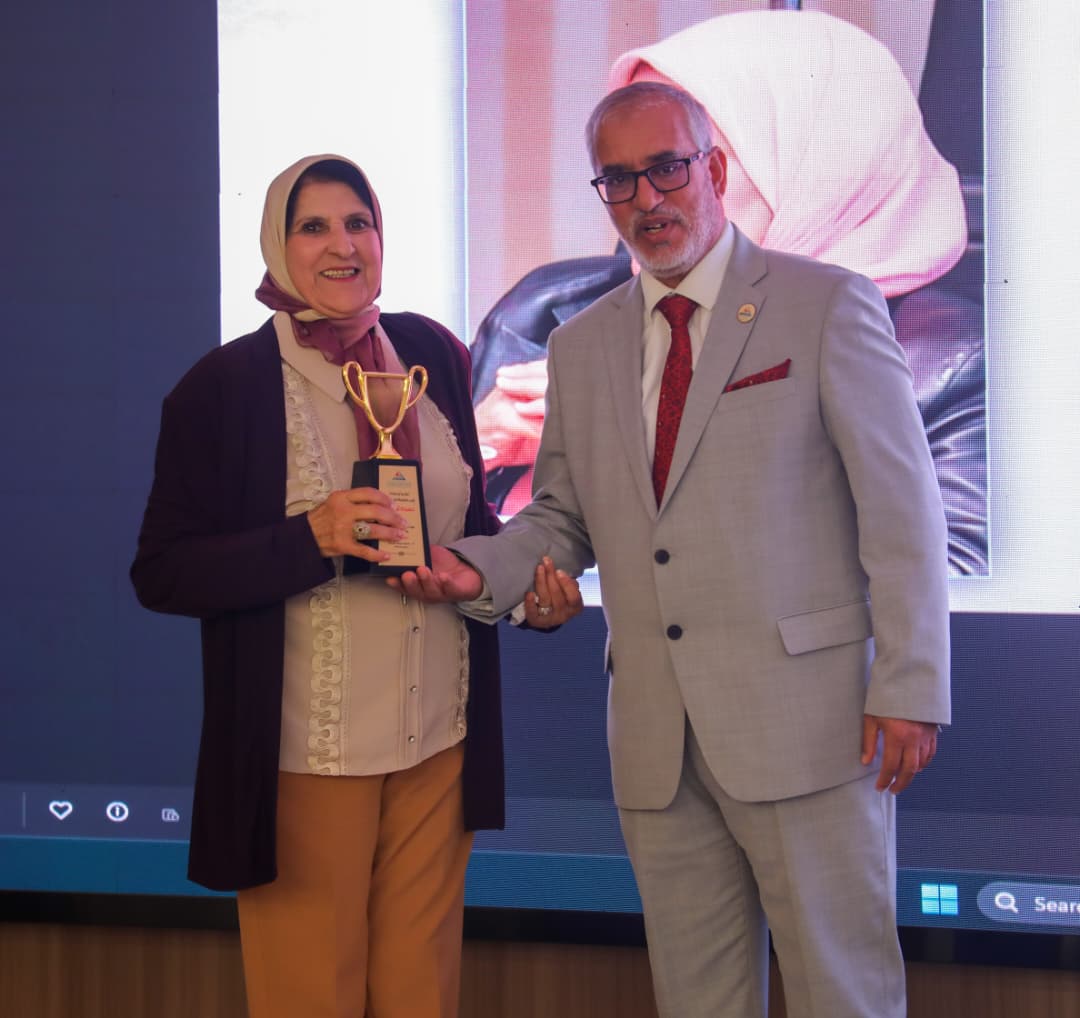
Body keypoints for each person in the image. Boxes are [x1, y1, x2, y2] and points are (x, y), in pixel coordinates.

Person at [393, 83, 951, 1018]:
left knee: (843, 996)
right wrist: (477, 569)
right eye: (619, 180)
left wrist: (911, 684)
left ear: (715, 170)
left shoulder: (826, 305)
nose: (647, 198)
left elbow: (903, 513)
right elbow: (562, 516)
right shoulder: (579, 344)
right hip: (657, 740)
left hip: (813, 727)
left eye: (667, 169)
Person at [130, 153, 579, 1018]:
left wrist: (522, 595)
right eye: (313, 227)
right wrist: (313, 537)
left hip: (438, 744)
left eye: (358, 223)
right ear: (277, 244)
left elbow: (473, 523)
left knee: (422, 998)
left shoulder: (432, 354)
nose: (342, 246)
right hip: (308, 759)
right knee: (310, 999)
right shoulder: (222, 388)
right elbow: (164, 571)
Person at [472, 9, 987, 575]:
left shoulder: (947, 365)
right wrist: (474, 448)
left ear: (818, 161)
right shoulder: (547, 314)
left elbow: (958, 585)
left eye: (674, 163)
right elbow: (430, 557)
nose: (646, 200)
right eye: (625, 170)